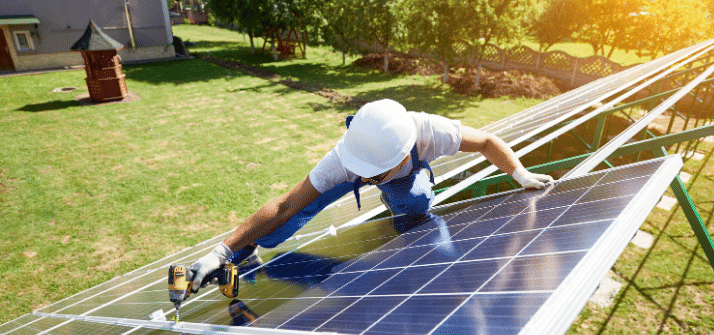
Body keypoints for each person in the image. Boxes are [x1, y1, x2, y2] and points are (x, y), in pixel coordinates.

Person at [190, 99, 553, 292]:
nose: (364, 177)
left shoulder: (432, 132)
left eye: (374, 174)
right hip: (347, 170)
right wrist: (219, 252)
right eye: (361, 170)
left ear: (404, 153)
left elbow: (487, 142)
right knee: (290, 216)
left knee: (416, 200)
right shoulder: (345, 161)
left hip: (404, 179)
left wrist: (520, 174)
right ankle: (248, 247)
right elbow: (284, 205)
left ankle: (394, 196)